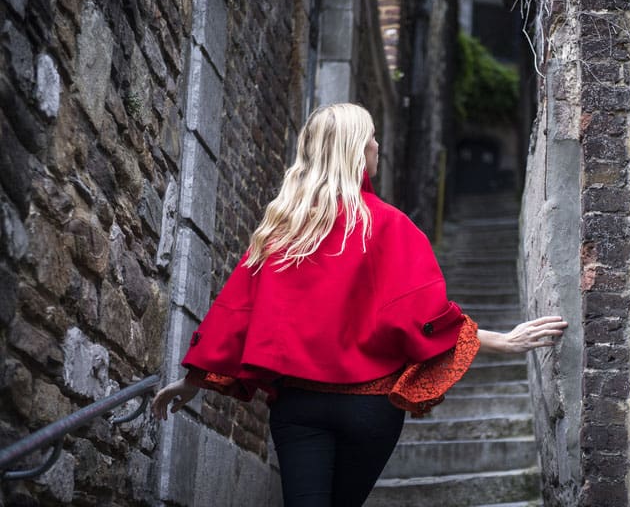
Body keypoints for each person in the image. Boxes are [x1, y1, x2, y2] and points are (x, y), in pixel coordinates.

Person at [152, 103, 567, 507]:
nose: (378, 145)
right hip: (370, 406)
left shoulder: (283, 229)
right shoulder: (391, 225)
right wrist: (502, 341)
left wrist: (193, 382)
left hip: (299, 406)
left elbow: (237, 312)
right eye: (371, 138)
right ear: (355, 150)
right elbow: (423, 317)